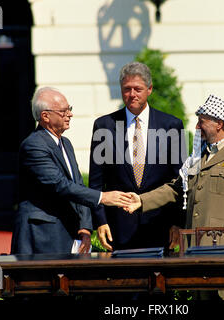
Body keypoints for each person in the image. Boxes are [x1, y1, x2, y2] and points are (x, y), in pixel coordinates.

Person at [125, 94, 224, 300]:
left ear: (219, 124)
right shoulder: (199, 157)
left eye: (201, 121)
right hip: (196, 252)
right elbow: (175, 189)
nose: (197, 127)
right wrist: (141, 200)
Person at [10, 87, 132, 254]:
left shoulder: (65, 143)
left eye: (70, 109)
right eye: (63, 111)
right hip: (41, 235)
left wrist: (85, 228)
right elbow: (60, 185)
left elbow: (78, 184)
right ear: (45, 116)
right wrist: (102, 197)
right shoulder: (34, 145)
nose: (70, 114)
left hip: (68, 233)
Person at [89, 61, 186, 251]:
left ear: (149, 89)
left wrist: (178, 222)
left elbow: (180, 181)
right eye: (126, 89)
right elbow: (96, 182)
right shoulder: (104, 126)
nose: (132, 94)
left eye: (137, 89)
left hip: (161, 226)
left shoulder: (171, 126)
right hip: (118, 229)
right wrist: (100, 221)